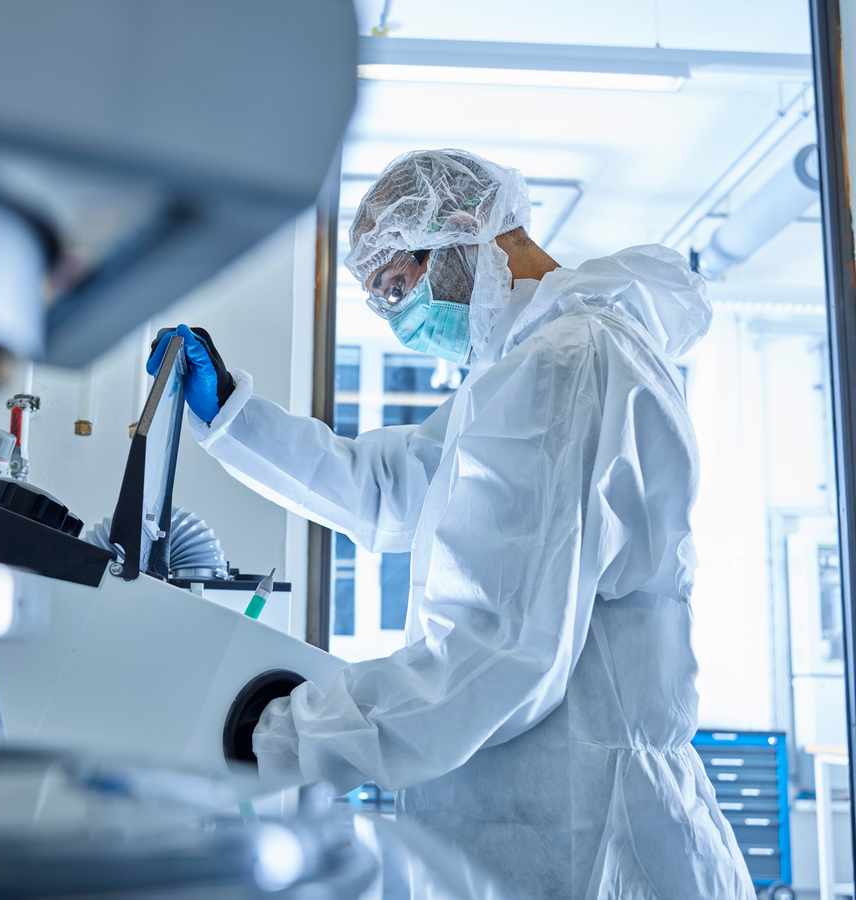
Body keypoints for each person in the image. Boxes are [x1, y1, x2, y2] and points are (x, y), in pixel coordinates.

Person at [149, 149, 753, 898]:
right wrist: (232, 416)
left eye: (398, 287)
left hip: (589, 832)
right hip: (556, 820)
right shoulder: (526, 367)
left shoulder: (567, 363)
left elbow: (499, 651)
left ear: (465, 230)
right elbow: (389, 489)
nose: (403, 322)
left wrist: (281, 734)